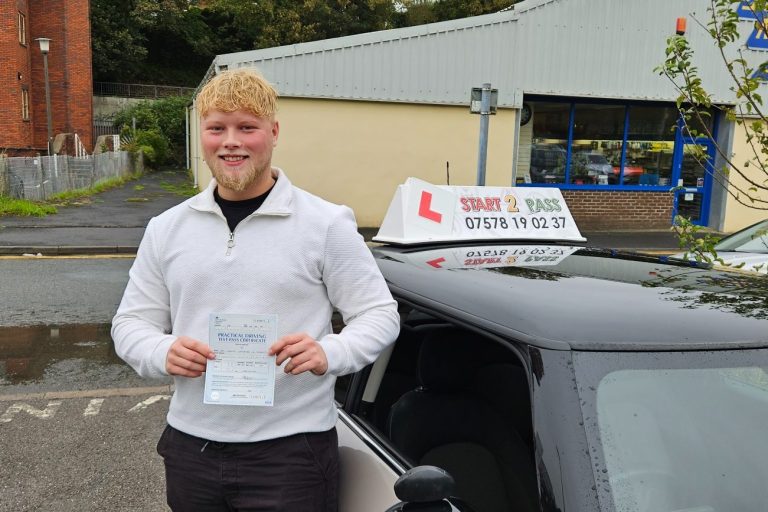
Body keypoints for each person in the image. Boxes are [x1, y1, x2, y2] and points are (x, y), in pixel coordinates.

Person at [111, 68, 400, 512]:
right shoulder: (166, 228)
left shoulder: (325, 224)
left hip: (292, 451)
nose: (232, 141)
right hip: (192, 447)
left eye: (247, 127)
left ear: (273, 132)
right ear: (201, 135)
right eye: (217, 128)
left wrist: (330, 352)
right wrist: (160, 351)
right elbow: (131, 323)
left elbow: (379, 313)